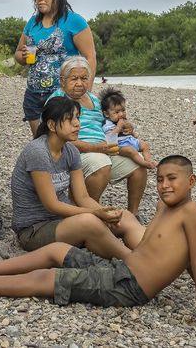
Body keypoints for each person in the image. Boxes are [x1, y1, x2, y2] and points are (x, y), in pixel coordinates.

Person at [0, 155, 196, 328]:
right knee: (57, 250)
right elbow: (173, 252)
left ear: (191, 181)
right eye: (160, 179)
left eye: (172, 179)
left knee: (47, 279)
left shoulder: (193, 213)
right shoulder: (162, 207)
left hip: (129, 287)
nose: (164, 185)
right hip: (121, 268)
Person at [11, 96, 146, 261]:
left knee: (125, 217)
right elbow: (51, 205)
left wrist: (105, 213)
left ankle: (154, 255)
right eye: (70, 119)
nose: (77, 124)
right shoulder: (37, 152)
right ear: (52, 125)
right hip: (34, 230)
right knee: (90, 221)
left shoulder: (71, 151)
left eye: (77, 117)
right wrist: (95, 213)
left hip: (65, 223)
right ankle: (136, 262)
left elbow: (82, 197)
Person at [49, 57, 147, 216]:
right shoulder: (57, 100)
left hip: (104, 148)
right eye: (74, 79)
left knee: (139, 164)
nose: (79, 83)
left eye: (84, 78)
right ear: (62, 80)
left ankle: (133, 213)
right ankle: (89, 212)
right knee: (101, 164)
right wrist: (95, 148)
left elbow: (106, 125)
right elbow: (55, 139)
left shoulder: (93, 99)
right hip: (76, 153)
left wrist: (125, 127)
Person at [14, 0, 96, 137]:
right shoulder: (32, 23)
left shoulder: (74, 21)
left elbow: (90, 57)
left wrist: (86, 91)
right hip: (33, 94)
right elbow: (17, 54)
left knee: (62, 140)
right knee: (40, 141)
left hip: (62, 94)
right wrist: (22, 56)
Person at [99, 87, 157, 170]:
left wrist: (131, 131)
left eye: (123, 110)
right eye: (117, 112)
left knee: (145, 145)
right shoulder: (107, 124)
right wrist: (118, 127)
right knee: (131, 151)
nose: (121, 114)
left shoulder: (122, 120)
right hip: (120, 145)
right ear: (106, 114)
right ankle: (144, 163)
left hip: (129, 140)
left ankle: (149, 161)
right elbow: (110, 138)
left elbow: (131, 134)